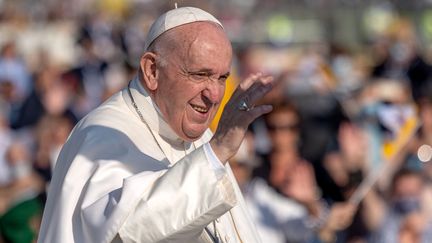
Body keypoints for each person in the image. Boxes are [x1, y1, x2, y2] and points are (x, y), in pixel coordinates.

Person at [37, 6, 274, 243]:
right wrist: (217, 151)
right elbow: (125, 230)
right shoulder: (101, 134)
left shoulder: (195, 132)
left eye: (222, 78)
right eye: (200, 75)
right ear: (152, 71)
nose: (214, 95)